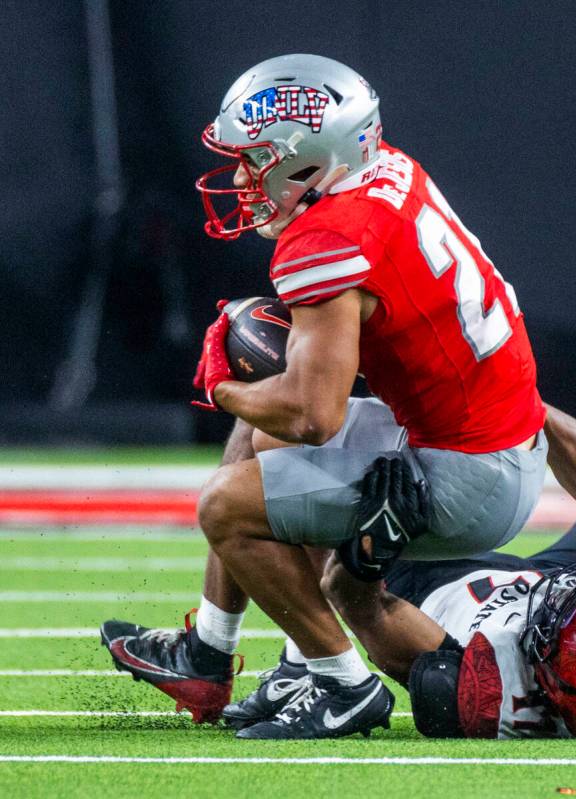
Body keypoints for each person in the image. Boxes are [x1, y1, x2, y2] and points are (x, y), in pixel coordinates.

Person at [101, 53, 547, 740]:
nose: (244, 179)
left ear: (305, 161)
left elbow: (314, 415)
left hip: (468, 472)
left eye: (255, 161)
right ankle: (210, 653)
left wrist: (221, 386)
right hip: (481, 437)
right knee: (261, 438)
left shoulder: (327, 236)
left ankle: (342, 685)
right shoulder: (381, 167)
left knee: (229, 501)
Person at [224, 405, 576, 739]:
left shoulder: (492, 690)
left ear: (555, 679)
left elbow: (358, 600)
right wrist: (523, 408)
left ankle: (299, 664)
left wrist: (370, 547)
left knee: (275, 442)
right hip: (540, 577)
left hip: (434, 588)